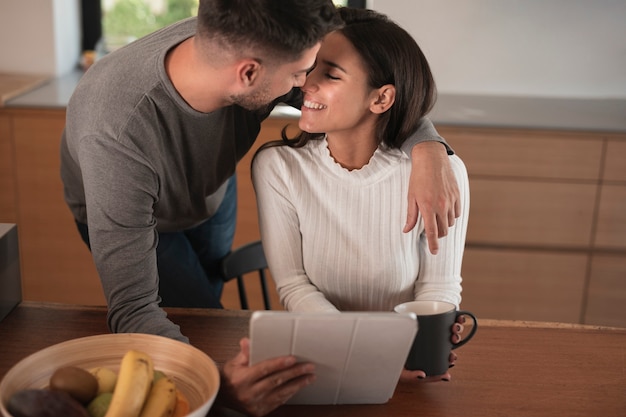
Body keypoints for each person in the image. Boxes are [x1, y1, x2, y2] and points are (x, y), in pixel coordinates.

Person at [60, 0, 458, 414]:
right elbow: (133, 310)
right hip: (133, 213)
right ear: (248, 74)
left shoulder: (242, 43)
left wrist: (427, 145)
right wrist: (218, 388)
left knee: (205, 318)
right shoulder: (114, 135)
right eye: (300, 73)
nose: (304, 85)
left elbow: (376, 91)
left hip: (211, 189)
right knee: (199, 313)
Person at [252, 7, 470, 383]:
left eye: (331, 74)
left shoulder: (439, 176)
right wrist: (365, 354)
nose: (305, 83)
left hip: (406, 365)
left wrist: (430, 335)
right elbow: (294, 285)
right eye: (311, 67)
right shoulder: (279, 167)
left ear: (381, 99)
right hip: (321, 359)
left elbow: (439, 286)